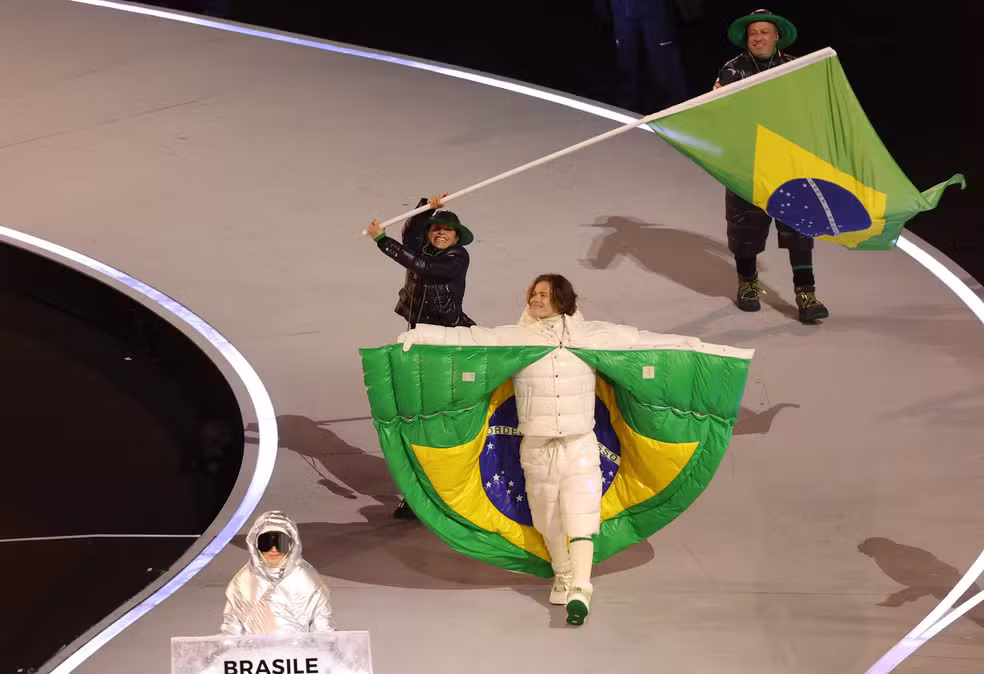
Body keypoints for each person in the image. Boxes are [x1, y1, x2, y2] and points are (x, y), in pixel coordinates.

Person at [397, 274, 740, 625]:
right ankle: (562, 572)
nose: (535, 298)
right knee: (547, 519)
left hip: (579, 445)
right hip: (536, 447)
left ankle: (581, 589)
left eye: (544, 294)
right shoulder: (517, 338)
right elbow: (469, 339)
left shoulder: (591, 336)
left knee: (581, 516)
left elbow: (641, 343)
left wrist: (695, 348)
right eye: (533, 293)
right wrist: (417, 335)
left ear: (562, 299)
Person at [712, 9, 829, 323]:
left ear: (777, 36)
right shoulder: (731, 71)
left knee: (799, 228)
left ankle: (806, 293)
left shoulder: (795, 68)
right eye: (753, 33)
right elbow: (720, 114)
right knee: (744, 227)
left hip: (787, 162)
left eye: (764, 32)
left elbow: (811, 110)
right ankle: (748, 283)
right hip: (746, 162)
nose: (758, 38)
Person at [368, 195, 476, 519]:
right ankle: (416, 493)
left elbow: (421, 265)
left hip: (446, 339)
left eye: (447, 230)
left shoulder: (457, 258)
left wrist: (382, 242)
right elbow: (411, 236)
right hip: (420, 337)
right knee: (415, 416)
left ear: (457, 237)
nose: (440, 234)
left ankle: (445, 488)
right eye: (436, 229)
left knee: (436, 416)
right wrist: (426, 206)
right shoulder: (425, 246)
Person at [220, 510, 334, 635]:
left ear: (291, 544)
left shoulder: (308, 580)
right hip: (254, 654)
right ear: (256, 544)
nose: (273, 549)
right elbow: (231, 630)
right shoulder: (242, 582)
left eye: (281, 542)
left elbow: (322, 629)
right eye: (266, 542)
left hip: (299, 653)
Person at [595, 0, 689, 112]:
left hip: (654, 10)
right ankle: (628, 108)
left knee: (664, 62)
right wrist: (601, 7)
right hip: (622, 10)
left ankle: (675, 106)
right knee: (626, 61)